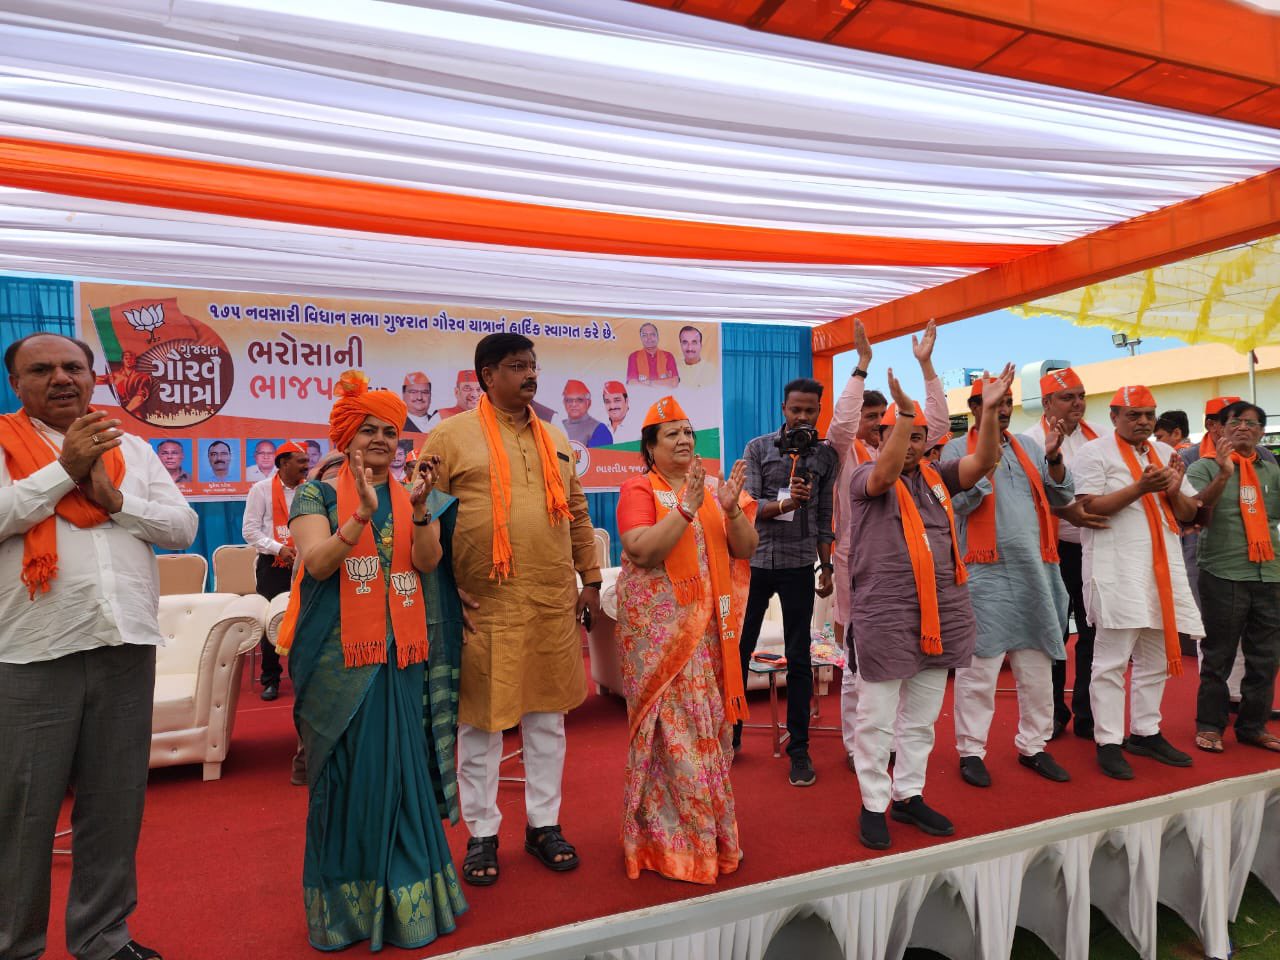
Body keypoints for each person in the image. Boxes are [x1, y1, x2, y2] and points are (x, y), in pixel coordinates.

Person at [0, 332, 198, 960]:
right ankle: (13, 946)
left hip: (125, 644)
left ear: (93, 377)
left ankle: (104, 940)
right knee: (22, 814)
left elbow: (182, 526)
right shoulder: (3, 444)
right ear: (16, 384)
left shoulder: (131, 448)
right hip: (33, 651)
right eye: (42, 369)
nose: (61, 378)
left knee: (114, 807)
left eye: (73, 367)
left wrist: (114, 500)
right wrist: (64, 471)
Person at [277, 369, 467, 951]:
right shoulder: (314, 495)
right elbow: (317, 563)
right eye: (369, 430)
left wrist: (422, 511)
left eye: (390, 432)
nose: (382, 440)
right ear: (347, 437)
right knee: (349, 777)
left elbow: (428, 564)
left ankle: (409, 898)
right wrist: (359, 513)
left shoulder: (411, 495)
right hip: (337, 661)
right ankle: (347, 908)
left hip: (401, 656)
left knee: (402, 773)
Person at [423, 333, 601, 886]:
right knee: (481, 725)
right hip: (485, 607)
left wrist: (592, 578)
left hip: (549, 600)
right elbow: (422, 518)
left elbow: (576, 511)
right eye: (518, 366)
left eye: (532, 365)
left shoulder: (555, 437)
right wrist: (442, 591)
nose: (531, 375)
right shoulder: (450, 437)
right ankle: (482, 833)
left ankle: (544, 825)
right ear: (487, 376)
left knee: (547, 720)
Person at [847, 367, 1010, 850]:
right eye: (901, 433)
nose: (911, 444)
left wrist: (991, 413)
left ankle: (908, 795)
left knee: (920, 718)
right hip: (886, 615)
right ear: (881, 436)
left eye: (919, 436)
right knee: (875, 720)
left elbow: (984, 461)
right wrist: (902, 414)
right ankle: (872, 803)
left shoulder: (938, 478)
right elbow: (885, 473)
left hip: (941, 614)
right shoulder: (864, 476)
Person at [615, 396, 758, 883]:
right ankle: (669, 843)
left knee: (708, 733)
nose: (683, 439)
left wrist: (730, 511)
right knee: (672, 738)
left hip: (710, 636)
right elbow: (641, 551)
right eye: (671, 433)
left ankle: (708, 835)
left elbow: (746, 548)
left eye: (688, 432)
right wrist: (687, 509)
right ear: (650, 448)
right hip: (660, 642)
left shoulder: (715, 489)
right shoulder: (639, 488)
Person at [827, 319, 950, 773]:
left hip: (908, 571)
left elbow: (937, 423)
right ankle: (855, 743)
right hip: (855, 566)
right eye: (877, 421)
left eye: (891, 421)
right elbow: (841, 425)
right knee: (857, 661)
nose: (886, 429)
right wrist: (861, 365)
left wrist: (927, 367)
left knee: (904, 658)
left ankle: (892, 743)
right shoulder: (847, 457)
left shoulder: (914, 462)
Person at [944, 376, 1075, 787]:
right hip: (984, 577)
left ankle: (1034, 746)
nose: (1002, 410)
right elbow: (958, 504)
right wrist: (986, 463)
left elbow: (1061, 497)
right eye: (994, 402)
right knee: (979, 672)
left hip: (1034, 572)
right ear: (974, 408)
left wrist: (1054, 458)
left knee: (1037, 670)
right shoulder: (954, 450)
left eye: (1007, 402)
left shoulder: (1031, 447)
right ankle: (971, 751)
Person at [1073, 385, 1204, 780]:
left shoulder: (1164, 453)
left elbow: (1188, 513)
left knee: (1156, 659)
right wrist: (1140, 488)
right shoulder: (1093, 453)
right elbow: (1088, 507)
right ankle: (1108, 741)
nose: (1144, 421)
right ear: (1114, 417)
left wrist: (1174, 489)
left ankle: (1146, 732)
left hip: (1161, 570)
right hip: (1116, 570)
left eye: (1149, 414)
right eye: (1134, 415)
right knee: (1111, 662)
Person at [736, 376, 838, 786]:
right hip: (756, 561)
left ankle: (799, 749)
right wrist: (785, 504)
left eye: (810, 410)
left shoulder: (827, 457)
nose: (802, 416)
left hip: (799, 563)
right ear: (783, 409)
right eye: (796, 409)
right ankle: (730, 736)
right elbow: (747, 504)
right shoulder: (758, 448)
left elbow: (825, 516)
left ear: (819, 412)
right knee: (739, 650)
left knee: (799, 657)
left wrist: (826, 567)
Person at [1185, 400, 1280, 753]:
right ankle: (1210, 726)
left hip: (1269, 572)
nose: (1243, 428)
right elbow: (1194, 510)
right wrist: (1224, 473)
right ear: (1220, 429)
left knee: (1265, 658)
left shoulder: (1272, 470)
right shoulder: (1204, 467)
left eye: (1252, 423)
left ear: (1261, 432)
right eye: (1236, 421)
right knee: (1219, 655)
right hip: (1222, 572)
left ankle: (1253, 727)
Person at [1024, 366, 1111, 740]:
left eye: (1081, 396)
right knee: (1053, 635)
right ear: (1046, 403)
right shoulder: (1029, 442)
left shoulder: (1103, 437)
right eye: (1067, 397)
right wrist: (1069, 513)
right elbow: (1029, 498)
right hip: (1051, 551)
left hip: (1098, 548)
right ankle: (1054, 713)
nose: (1077, 403)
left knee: (1094, 633)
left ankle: (1089, 714)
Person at [242, 440, 310, 700]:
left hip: (307, 563)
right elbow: (250, 531)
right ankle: (271, 679)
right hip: (273, 566)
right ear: (283, 463)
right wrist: (278, 548)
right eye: (301, 461)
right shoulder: (260, 490)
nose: (306, 466)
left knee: (306, 620)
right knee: (272, 621)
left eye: (307, 461)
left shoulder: (311, 489)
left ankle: (304, 678)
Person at [625, 322, 680, 388]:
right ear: (641, 338)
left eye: (652, 334)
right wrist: (664, 382)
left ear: (658, 337)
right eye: (644, 335)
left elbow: (674, 382)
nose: (649, 338)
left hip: (664, 394)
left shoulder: (668, 356)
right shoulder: (634, 357)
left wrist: (649, 382)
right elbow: (632, 384)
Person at [560, 379, 613, 447]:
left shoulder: (599, 429)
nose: (574, 404)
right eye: (569, 400)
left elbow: (599, 454)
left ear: (588, 403)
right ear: (564, 403)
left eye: (579, 400)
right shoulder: (557, 426)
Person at [676, 325, 714, 390]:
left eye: (694, 342)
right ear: (680, 345)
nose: (689, 348)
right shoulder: (673, 367)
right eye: (685, 342)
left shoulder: (712, 371)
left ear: (700, 345)